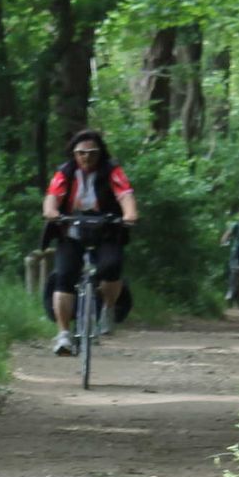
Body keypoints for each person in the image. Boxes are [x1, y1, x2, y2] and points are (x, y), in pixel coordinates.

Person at [40, 129, 138, 355]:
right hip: (71, 227)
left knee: (111, 267)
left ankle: (108, 309)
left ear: (100, 153)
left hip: (107, 227)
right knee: (64, 277)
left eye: (92, 153)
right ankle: (63, 334)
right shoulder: (65, 171)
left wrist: (129, 214)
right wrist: (51, 211)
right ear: (74, 154)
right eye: (81, 153)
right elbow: (52, 195)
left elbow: (125, 194)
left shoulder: (112, 170)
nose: (86, 158)